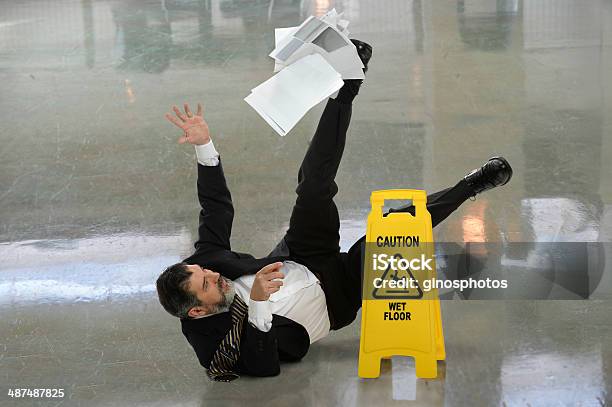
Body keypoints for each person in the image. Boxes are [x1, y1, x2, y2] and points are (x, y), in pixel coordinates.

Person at [156, 40, 513, 381]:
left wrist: (205, 146)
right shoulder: (211, 346)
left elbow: (215, 208)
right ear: (197, 310)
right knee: (392, 235)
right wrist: (260, 303)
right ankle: (469, 187)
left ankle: (347, 86)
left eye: (204, 270)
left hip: (301, 255)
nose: (213, 274)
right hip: (337, 296)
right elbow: (265, 365)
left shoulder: (207, 264)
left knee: (313, 186)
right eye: (206, 283)